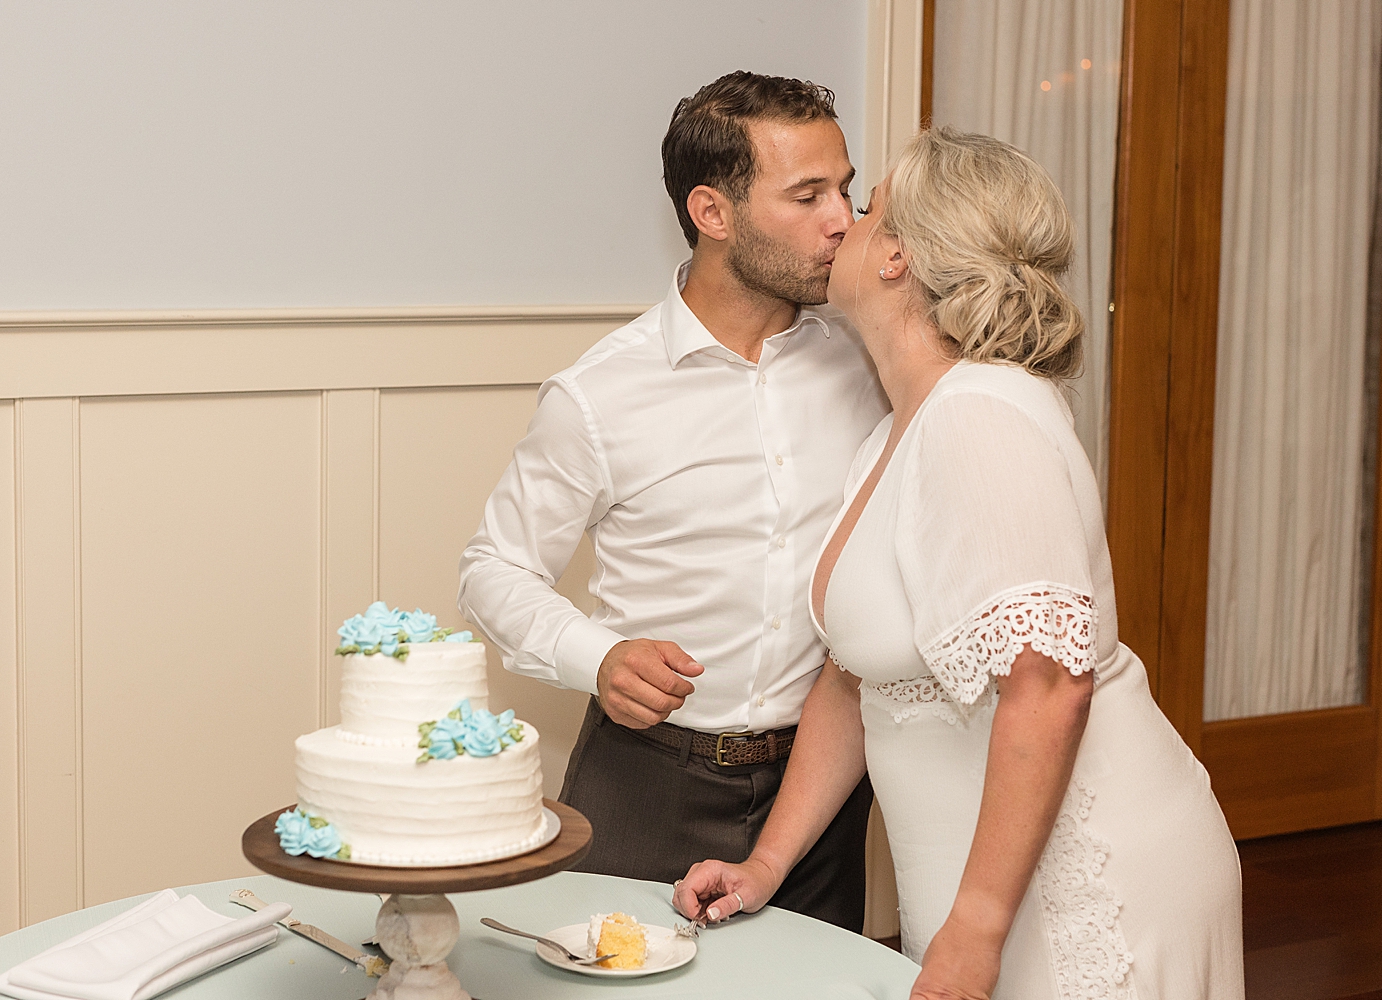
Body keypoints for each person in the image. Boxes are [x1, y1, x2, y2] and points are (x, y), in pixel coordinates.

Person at [675, 128, 1245, 999]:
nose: (841, 225)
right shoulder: (893, 430)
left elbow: (1051, 685)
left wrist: (977, 930)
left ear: (900, 255)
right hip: (976, 884)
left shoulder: (983, 413)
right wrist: (766, 863)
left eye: (864, 210)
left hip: (1078, 881)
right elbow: (855, 677)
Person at [458, 71, 888, 931]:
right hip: (646, 779)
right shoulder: (598, 394)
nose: (842, 218)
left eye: (845, 188)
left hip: (824, 789)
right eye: (807, 195)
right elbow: (492, 571)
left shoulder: (867, 360)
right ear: (713, 212)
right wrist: (599, 656)